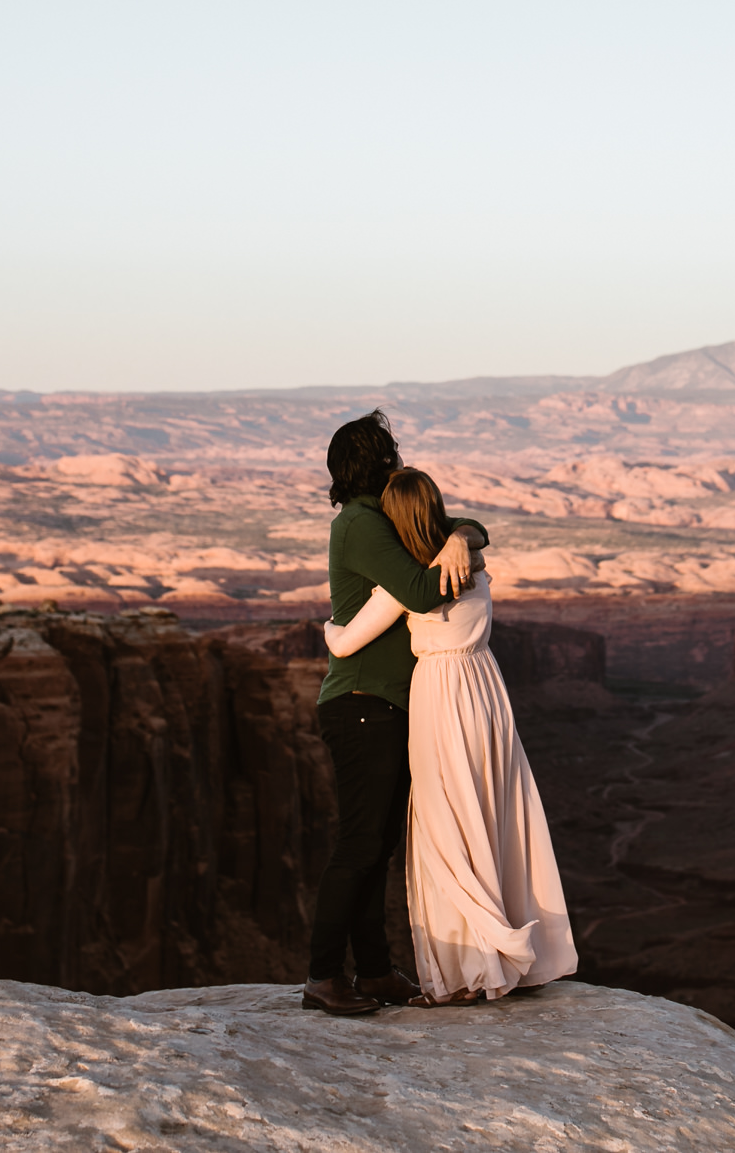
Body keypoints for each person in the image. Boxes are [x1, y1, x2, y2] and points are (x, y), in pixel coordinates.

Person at [324, 467, 578, 1005]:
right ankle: (500, 955)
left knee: (445, 831)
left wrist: (327, 628)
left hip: (441, 699)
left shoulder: (410, 582)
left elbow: (345, 645)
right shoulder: (473, 565)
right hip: (485, 691)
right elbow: (472, 532)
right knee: (489, 814)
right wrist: (463, 535)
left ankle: (471, 968)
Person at [303, 412, 488, 1017]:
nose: (398, 464)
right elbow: (419, 589)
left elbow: (450, 526)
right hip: (362, 705)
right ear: (377, 464)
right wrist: (455, 548)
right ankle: (324, 977)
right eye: (391, 455)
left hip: (383, 707)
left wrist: (463, 535)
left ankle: (375, 971)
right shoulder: (359, 524)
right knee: (358, 846)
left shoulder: (377, 517)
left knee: (376, 846)